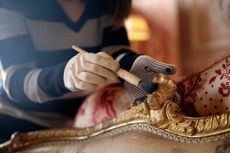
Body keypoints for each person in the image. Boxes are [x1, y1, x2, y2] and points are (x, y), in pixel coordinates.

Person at [0, 0, 176, 141]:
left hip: (76, 127)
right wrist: (65, 77)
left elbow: (115, 54)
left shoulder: (106, 4)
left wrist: (135, 65)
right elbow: (15, 81)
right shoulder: (10, 4)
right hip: (14, 124)